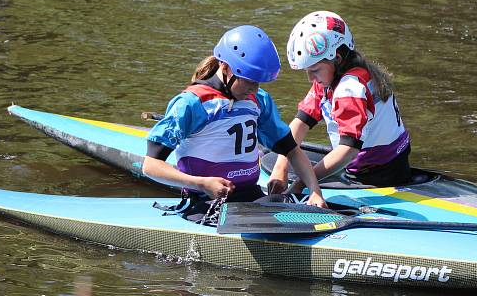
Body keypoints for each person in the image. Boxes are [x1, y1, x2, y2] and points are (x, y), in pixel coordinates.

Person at [142, 25, 326, 222]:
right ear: (225, 67)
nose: (254, 90)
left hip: (252, 197)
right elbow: (150, 165)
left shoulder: (259, 101)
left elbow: (291, 149)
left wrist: (315, 191)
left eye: (258, 83)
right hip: (206, 201)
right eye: (249, 81)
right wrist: (202, 183)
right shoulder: (192, 104)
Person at [268, 11, 412, 192]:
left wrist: (302, 183)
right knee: (275, 158)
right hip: (385, 160)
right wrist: (281, 167)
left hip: (377, 175)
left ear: (337, 58)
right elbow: (301, 122)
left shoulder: (349, 88)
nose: (310, 78)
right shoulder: (331, 76)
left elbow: (348, 150)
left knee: (287, 163)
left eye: (314, 70)